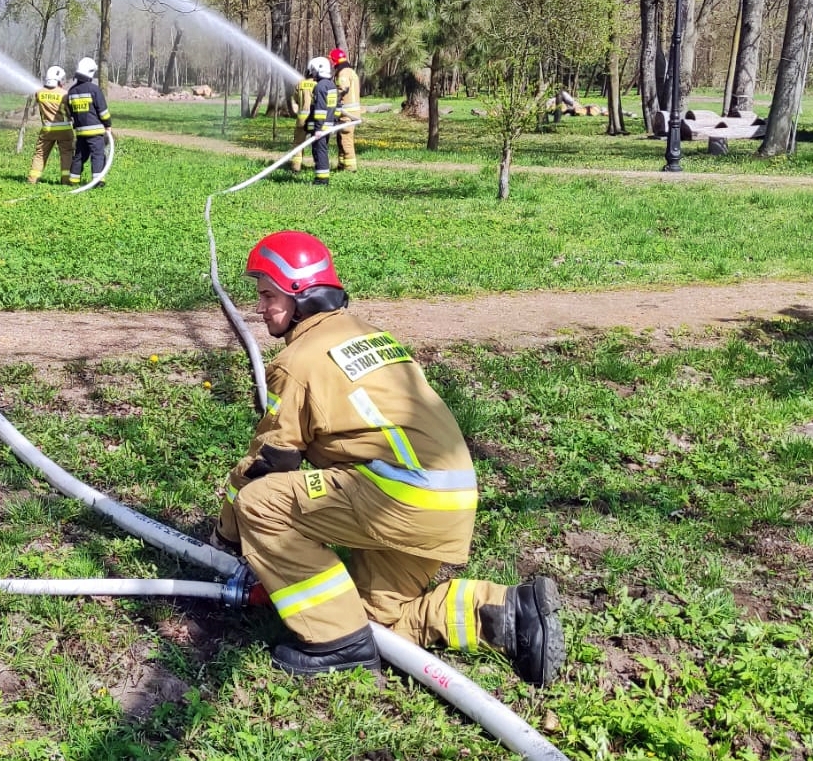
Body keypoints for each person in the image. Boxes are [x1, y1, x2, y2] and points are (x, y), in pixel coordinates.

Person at [212, 231, 565, 684]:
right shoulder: (367, 335)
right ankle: (507, 612)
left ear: (300, 297)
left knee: (259, 503)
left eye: (268, 296)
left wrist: (225, 534)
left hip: (398, 497)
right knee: (372, 620)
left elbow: (270, 461)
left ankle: (337, 647)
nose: (259, 309)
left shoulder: (298, 362)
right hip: (448, 499)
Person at [65, 56, 112, 186]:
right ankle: (98, 181)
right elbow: (103, 112)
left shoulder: (71, 91)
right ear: (91, 72)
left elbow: (71, 112)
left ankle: (73, 180)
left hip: (80, 132)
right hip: (95, 132)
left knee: (79, 156)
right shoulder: (94, 89)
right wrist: (108, 124)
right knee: (97, 155)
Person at [26, 66, 75, 183]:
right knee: (66, 154)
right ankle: (66, 180)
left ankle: (32, 179)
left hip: (47, 130)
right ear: (59, 80)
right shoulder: (65, 94)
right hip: (65, 130)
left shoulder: (39, 93)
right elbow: (70, 111)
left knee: (40, 154)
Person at [303, 56, 340, 185]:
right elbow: (338, 107)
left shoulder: (320, 87)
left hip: (321, 127)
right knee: (320, 150)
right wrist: (334, 122)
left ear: (319, 69)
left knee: (320, 151)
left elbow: (320, 110)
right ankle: (321, 176)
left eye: (313, 70)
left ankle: (322, 179)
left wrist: (318, 128)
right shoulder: (331, 85)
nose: (312, 73)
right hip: (327, 126)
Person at [331, 47, 361, 171]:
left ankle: (350, 168)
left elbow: (342, 88)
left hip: (348, 113)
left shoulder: (343, 73)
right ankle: (342, 164)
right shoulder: (350, 71)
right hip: (349, 112)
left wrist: (330, 97)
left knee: (346, 140)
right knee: (341, 138)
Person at [289, 60, 319, 173]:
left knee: (298, 143)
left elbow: (296, 99)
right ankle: (319, 165)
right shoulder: (318, 84)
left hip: (302, 119)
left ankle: (296, 166)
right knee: (318, 143)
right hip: (315, 119)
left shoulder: (300, 83)